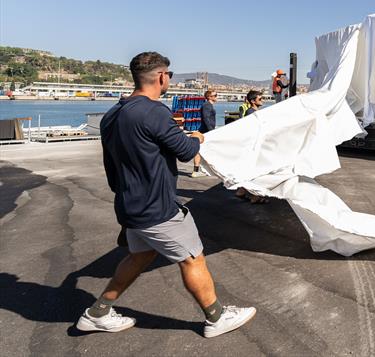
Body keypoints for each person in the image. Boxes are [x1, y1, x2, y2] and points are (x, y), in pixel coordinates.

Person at [75, 52, 256, 337]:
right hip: (157, 208)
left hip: (130, 203)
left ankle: (97, 313)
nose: (169, 80)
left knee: (139, 257)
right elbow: (185, 151)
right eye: (169, 75)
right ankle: (216, 318)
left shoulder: (112, 115)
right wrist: (196, 138)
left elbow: (110, 165)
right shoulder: (153, 111)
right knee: (193, 259)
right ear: (161, 76)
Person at [191, 89, 218, 178]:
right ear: (209, 97)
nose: (217, 97)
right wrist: (211, 130)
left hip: (206, 130)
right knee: (199, 150)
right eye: (215, 95)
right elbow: (206, 118)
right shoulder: (207, 105)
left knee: (202, 150)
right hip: (205, 131)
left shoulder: (209, 105)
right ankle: (197, 170)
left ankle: (200, 170)